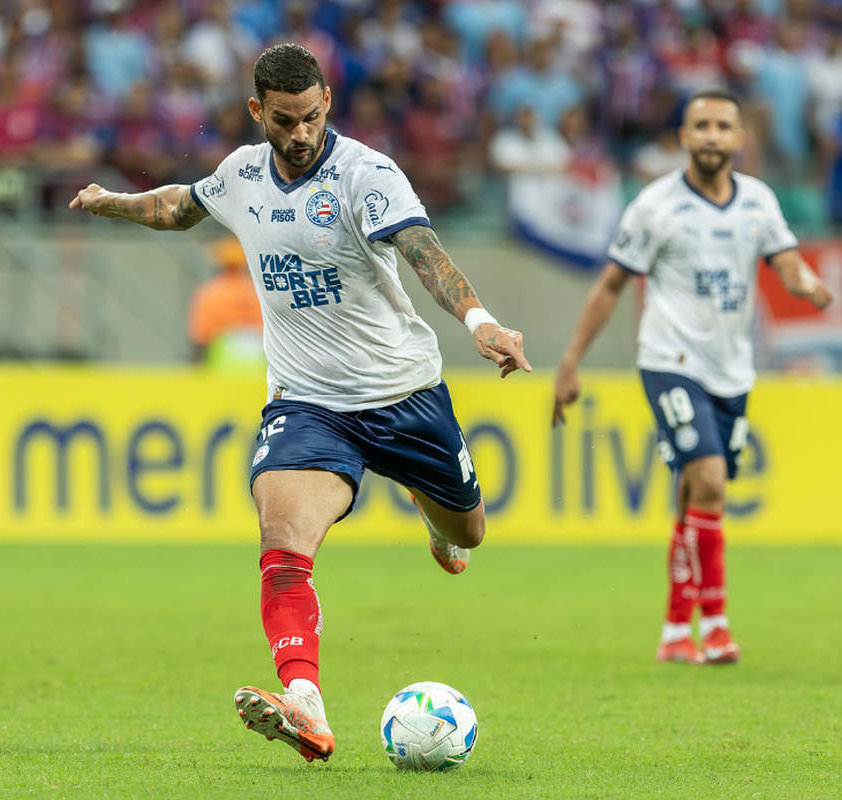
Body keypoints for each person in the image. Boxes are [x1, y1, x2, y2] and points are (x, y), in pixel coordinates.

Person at [69, 43, 531, 763]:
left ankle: (430, 516)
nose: (301, 133)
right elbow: (177, 208)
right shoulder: (240, 175)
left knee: (468, 534)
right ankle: (305, 703)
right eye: (285, 120)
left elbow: (422, 249)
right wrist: (112, 204)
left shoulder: (365, 175)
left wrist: (482, 324)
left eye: (312, 117)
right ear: (258, 111)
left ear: (326, 106)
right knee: (282, 542)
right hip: (307, 401)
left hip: (402, 392)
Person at [551, 88, 832, 666]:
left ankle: (676, 629)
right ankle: (718, 624)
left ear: (738, 138)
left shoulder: (757, 201)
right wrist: (571, 361)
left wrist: (808, 284)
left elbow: (787, 262)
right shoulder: (655, 206)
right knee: (709, 481)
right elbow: (611, 284)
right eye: (699, 125)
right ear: (683, 137)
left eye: (721, 126)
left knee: (692, 496)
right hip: (670, 361)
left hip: (732, 368)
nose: (710, 135)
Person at [187, 236, 264, 368]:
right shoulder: (258, 292)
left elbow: (200, 338)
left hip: (220, 369)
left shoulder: (209, 292)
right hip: (258, 369)